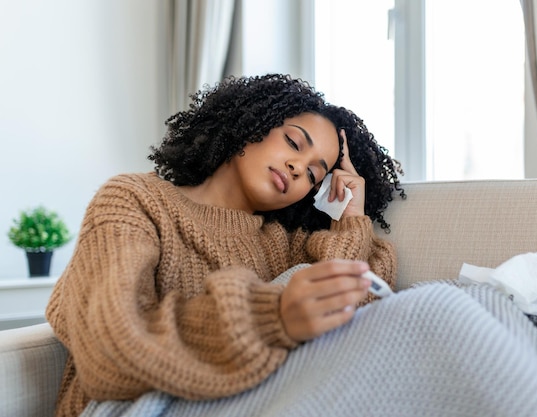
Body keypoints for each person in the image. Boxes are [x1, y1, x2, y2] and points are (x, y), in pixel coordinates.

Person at [45, 73, 405, 417]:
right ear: (250, 122)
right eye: (294, 143)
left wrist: (350, 217)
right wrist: (272, 318)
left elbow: (354, 304)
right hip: (131, 407)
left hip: (253, 403)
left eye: (314, 176)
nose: (298, 168)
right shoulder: (133, 200)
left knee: (436, 308)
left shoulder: (279, 246)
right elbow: (108, 350)